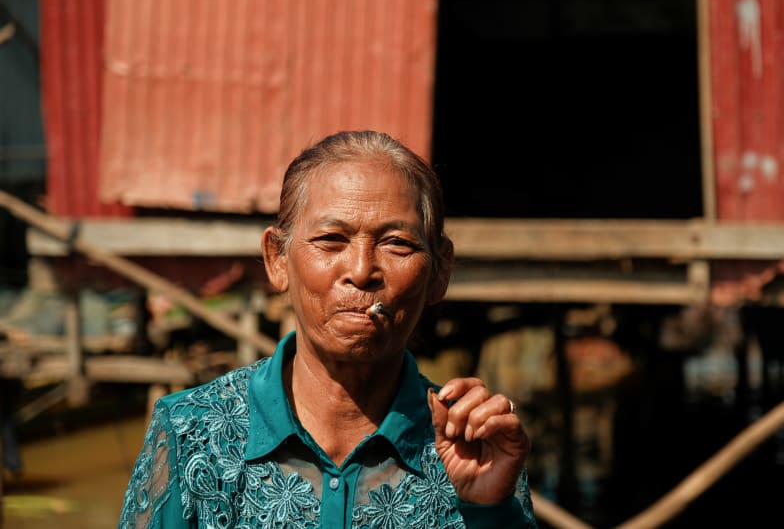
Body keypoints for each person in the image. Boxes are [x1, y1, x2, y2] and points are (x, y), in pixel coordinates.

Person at [118, 130, 538, 528]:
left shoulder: (473, 447)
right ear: (277, 260)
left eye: (397, 243)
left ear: (440, 271)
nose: (362, 271)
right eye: (331, 239)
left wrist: (490, 512)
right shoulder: (192, 433)